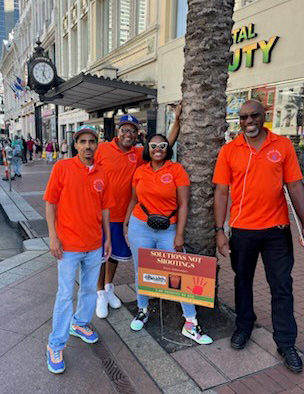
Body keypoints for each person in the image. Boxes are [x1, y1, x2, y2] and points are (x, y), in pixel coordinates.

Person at [213, 99, 304, 373]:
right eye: (243, 117)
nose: (248, 121)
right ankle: (244, 325)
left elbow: (294, 184)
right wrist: (220, 230)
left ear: (264, 115)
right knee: (242, 281)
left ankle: (286, 342)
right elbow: (221, 192)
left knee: (282, 286)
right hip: (242, 231)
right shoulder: (230, 150)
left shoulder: (282, 146)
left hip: (276, 231)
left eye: (254, 115)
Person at [123, 134, 212, 344]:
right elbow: (134, 199)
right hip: (140, 226)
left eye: (162, 145)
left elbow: (183, 204)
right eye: (153, 146)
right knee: (141, 270)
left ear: (167, 148)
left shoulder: (176, 170)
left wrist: (179, 233)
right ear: (148, 148)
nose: (158, 149)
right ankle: (142, 310)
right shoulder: (140, 171)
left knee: (179, 271)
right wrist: (126, 225)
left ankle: (190, 322)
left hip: (168, 228)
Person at [95, 108, 181, 319]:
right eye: (125, 130)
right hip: (102, 214)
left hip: (124, 215)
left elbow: (164, 145)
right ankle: (99, 294)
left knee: (113, 256)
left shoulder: (139, 154)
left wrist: (177, 121)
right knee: (100, 257)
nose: (128, 135)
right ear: (118, 131)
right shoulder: (103, 149)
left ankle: (108, 288)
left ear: (137, 134)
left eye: (132, 132)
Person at [44, 125, 115, 374]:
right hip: (69, 246)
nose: (87, 146)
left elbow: (105, 209)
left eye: (92, 141)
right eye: (82, 141)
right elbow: (51, 204)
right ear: (75, 145)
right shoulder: (62, 168)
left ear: (97, 145)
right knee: (65, 295)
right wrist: (53, 237)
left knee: (88, 290)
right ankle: (55, 344)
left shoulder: (102, 173)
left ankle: (80, 323)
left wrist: (107, 238)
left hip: (94, 244)